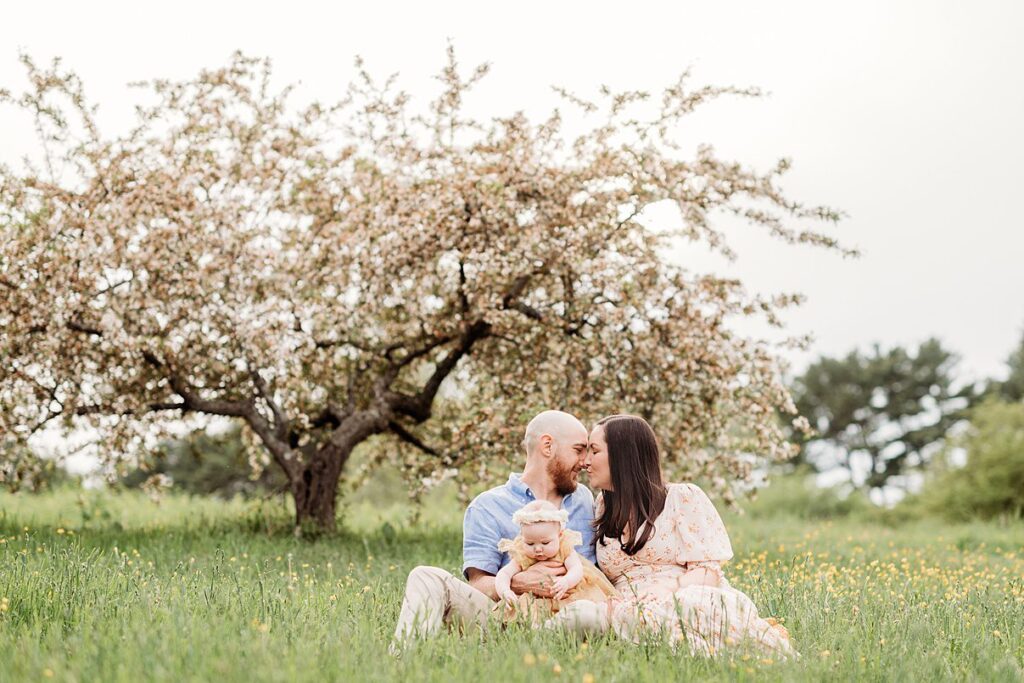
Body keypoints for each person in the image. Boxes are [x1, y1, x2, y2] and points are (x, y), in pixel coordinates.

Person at [581, 414, 795, 657]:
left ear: (623, 456)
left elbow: (708, 572)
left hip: (682, 593)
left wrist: (668, 589)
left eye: (594, 451)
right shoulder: (602, 506)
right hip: (628, 603)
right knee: (620, 616)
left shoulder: (682, 497)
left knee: (687, 608)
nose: (586, 461)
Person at [390, 410, 596, 651]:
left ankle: (540, 654)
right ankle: (402, 665)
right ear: (547, 446)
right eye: (578, 450)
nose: (585, 461)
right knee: (424, 576)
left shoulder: (585, 500)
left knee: (587, 614)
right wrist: (519, 582)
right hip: (505, 619)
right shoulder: (487, 506)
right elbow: (476, 584)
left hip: (571, 617)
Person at [493, 500, 618, 625]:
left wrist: (567, 581)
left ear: (560, 535)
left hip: (568, 594)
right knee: (525, 614)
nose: (538, 549)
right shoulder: (523, 554)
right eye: (530, 543)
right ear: (522, 538)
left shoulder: (565, 548)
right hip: (536, 601)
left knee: (584, 611)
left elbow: (576, 568)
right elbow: (504, 574)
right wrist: (505, 591)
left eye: (545, 543)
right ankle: (537, 629)